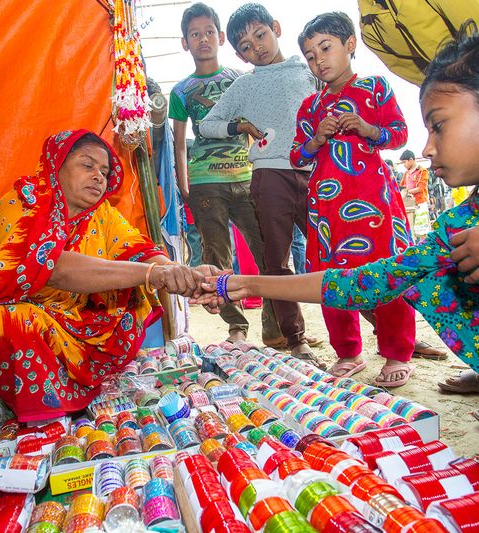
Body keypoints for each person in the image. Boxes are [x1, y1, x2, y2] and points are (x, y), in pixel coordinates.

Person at [196, 19, 479, 492]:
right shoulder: (470, 221)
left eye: (439, 125)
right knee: (437, 277)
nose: (426, 146)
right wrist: (244, 283)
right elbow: (363, 281)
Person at [0, 130, 212, 421]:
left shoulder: (102, 213)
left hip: (75, 324)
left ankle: (79, 391)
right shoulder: (22, 203)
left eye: (104, 171)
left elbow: (140, 250)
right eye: (87, 165)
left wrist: (184, 275)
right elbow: (53, 269)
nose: (98, 176)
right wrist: (154, 273)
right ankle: (42, 415)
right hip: (24, 323)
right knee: (14, 321)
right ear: (57, 166)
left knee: (133, 292)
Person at [288, 11, 421, 387]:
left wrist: (368, 128)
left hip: (376, 203)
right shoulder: (309, 108)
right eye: (311, 56)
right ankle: (348, 351)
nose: (319, 60)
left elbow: (398, 134)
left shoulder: (376, 88)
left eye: (325, 48)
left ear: (350, 44)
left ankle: (398, 353)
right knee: (329, 278)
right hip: (326, 210)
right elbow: (297, 156)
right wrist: (316, 140)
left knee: (389, 273)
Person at [198, 3, 322, 365]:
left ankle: (378, 329)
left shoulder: (308, 69)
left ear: (276, 28)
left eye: (260, 35)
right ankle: (295, 338)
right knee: (275, 262)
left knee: (333, 255)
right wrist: (239, 127)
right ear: (238, 53)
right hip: (269, 177)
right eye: (246, 46)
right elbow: (207, 124)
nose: (257, 48)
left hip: (317, 173)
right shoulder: (244, 85)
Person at [169, 2, 282, 347]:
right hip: (205, 183)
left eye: (208, 33)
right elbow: (179, 141)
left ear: (219, 37)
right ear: (185, 42)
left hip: (246, 177)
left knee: (267, 252)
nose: (203, 39)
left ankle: (276, 328)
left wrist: (260, 168)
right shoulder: (181, 91)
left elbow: (256, 129)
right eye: (194, 34)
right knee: (217, 259)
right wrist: (184, 185)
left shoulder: (238, 78)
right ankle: (236, 327)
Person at [399, 149, 433, 239]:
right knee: (411, 230)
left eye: (404, 162)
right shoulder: (406, 173)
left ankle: (425, 248)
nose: (404, 165)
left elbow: (421, 188)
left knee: (422, 231)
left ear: (411, 159)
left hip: (420, 203)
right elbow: (402, 186)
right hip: (409, 205)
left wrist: (406, 192)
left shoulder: (422, 171)